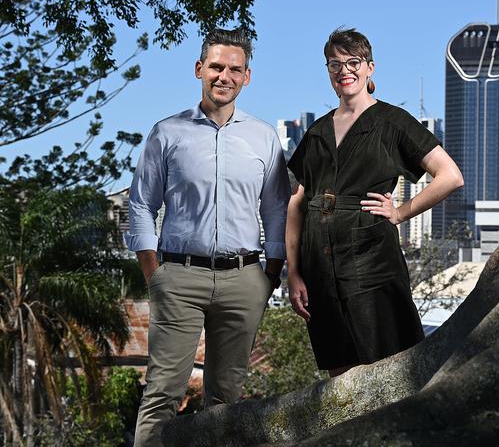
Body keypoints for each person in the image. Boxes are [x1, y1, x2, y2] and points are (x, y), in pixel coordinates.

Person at [125, 28, 290, 446]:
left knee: (226, 398)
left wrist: (269, 274)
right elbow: (141, 204)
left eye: (235, 69)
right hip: (179, 276)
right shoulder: (168, 133)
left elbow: (275, 208)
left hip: (244, 278)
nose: (224, 76)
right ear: (200, 69)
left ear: (247, 77)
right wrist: (154, 273)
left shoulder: (264, 138)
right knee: (163, 393)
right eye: (216, 66)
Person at [286, 28, 464, 377]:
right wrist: (294, 273)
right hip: (320, 271)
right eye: (334, 64)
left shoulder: (392, 122)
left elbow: (450, 175)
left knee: (389, 369)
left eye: (353, 62)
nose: (344, 71)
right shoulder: (316, 132)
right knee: (340, 376)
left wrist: (400, 212)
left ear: (370, 67)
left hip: (372, 264)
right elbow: (295, 205)